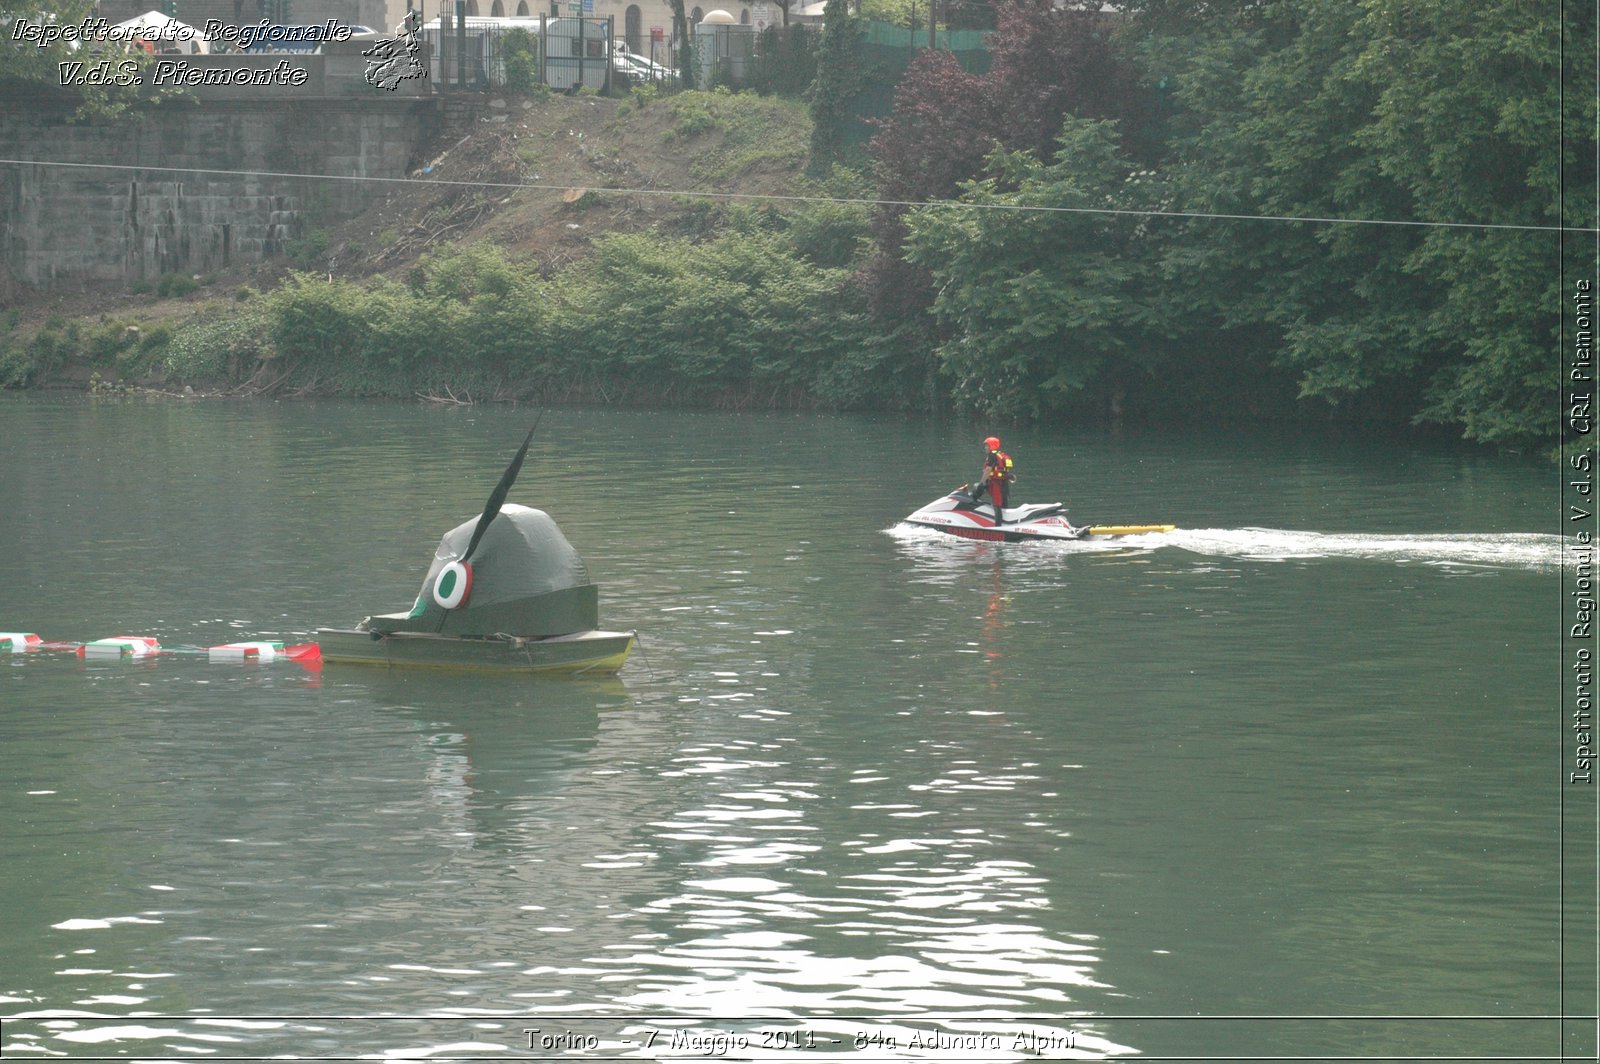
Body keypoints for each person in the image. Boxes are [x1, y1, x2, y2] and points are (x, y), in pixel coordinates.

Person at [978, 434, 1014, 524]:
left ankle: (998, 526)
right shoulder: (1001, 455)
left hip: (996, 484)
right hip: (1004, 484)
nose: (985, 447)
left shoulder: (992, 456)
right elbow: (1006, 471)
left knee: (997, 505)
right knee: (1003, 504)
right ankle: (1007, 523)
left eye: (987, 445)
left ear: (991, 446)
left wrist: (981, 483)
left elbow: (988, 470)